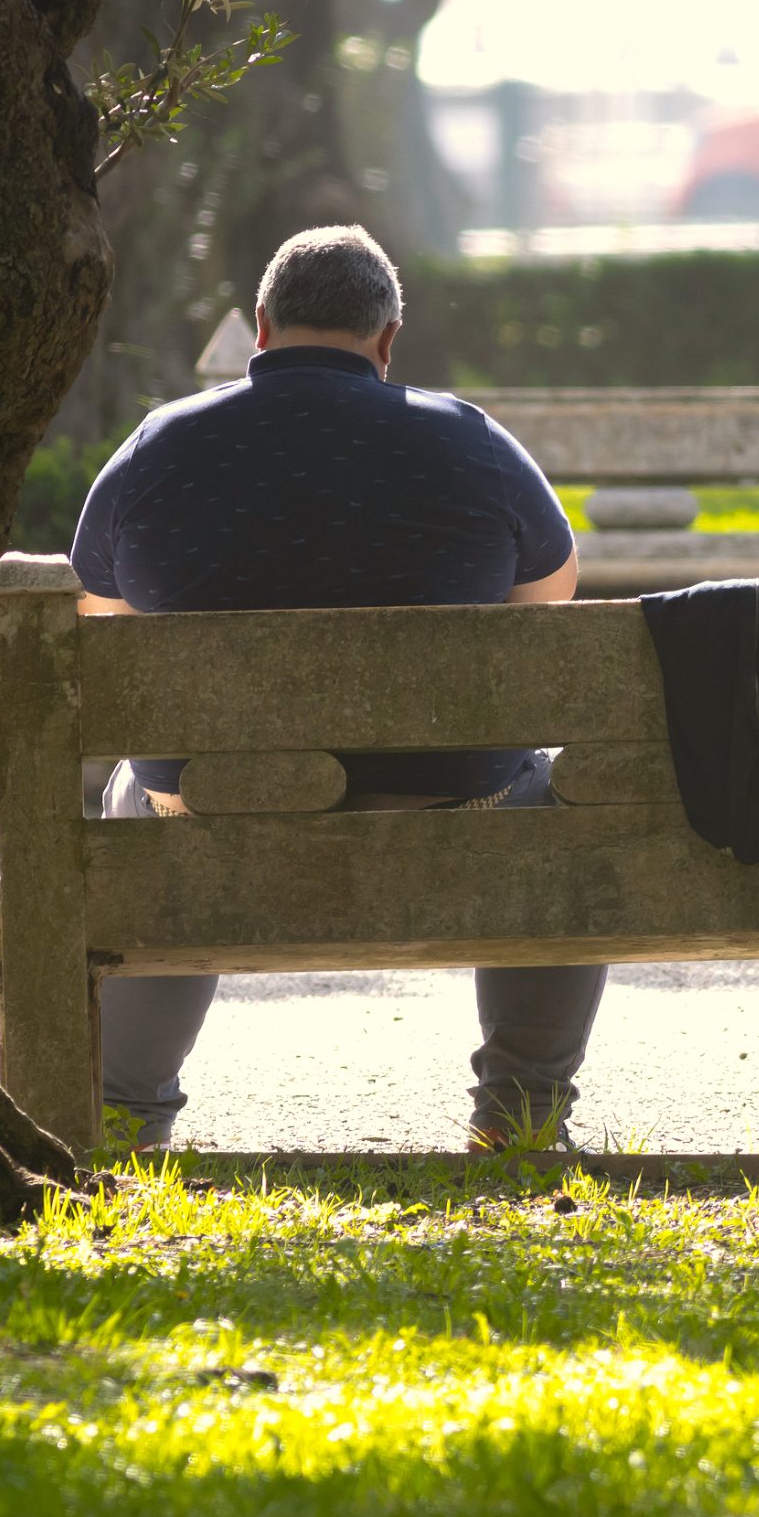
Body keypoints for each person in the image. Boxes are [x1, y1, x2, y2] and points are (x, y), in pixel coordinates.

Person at [68, 225, 608, 1151]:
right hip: (452, 804)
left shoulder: (160, 445)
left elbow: (94, 614)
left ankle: (121, 1109)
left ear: (263, 330)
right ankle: (518, 1116)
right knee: (562, 803)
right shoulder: (470, 441)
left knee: (137, 792)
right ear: (388, 339)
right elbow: (548, 603)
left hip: (212, 809)